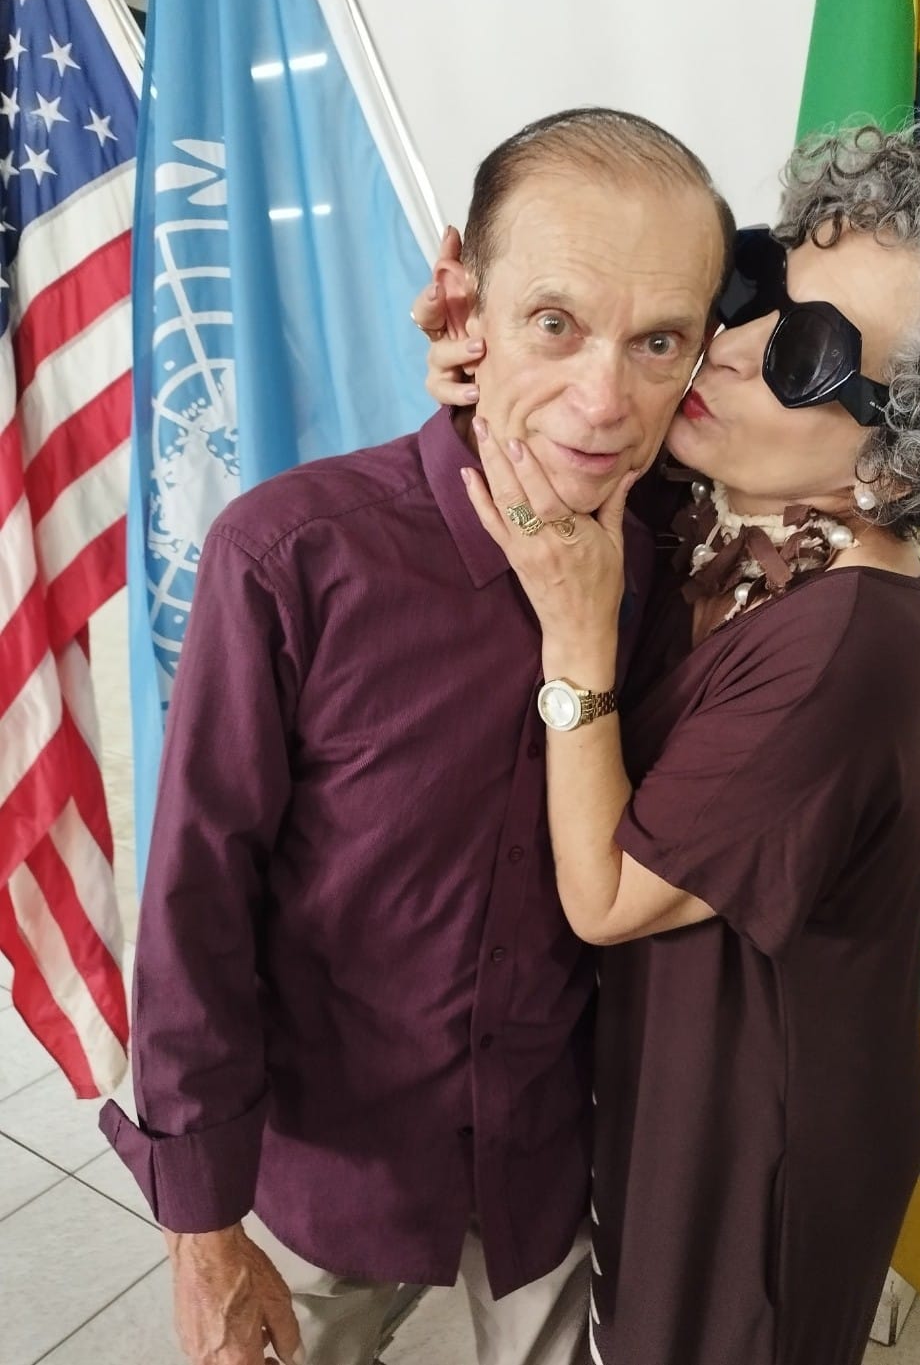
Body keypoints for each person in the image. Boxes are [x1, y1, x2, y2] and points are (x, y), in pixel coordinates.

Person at [420, 125, 920, 1364]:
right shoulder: (731, 510)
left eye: (804, 352)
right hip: (670, 1057)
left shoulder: (842, 639)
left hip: (751, 1129)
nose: (724, 343)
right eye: (759, 284)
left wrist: (577, 644)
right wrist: (498, 360)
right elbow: (556, 442)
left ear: (898, 462)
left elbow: (606, 896)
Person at [98, 107, 730, 1365]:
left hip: (552, 1154)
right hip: (329, 1169)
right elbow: (195, 905)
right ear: (463, 304)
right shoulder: (291, 557)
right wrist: (202, 1229)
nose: (604, 400)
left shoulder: (683, 562)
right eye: (554, 322)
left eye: (658, 341)